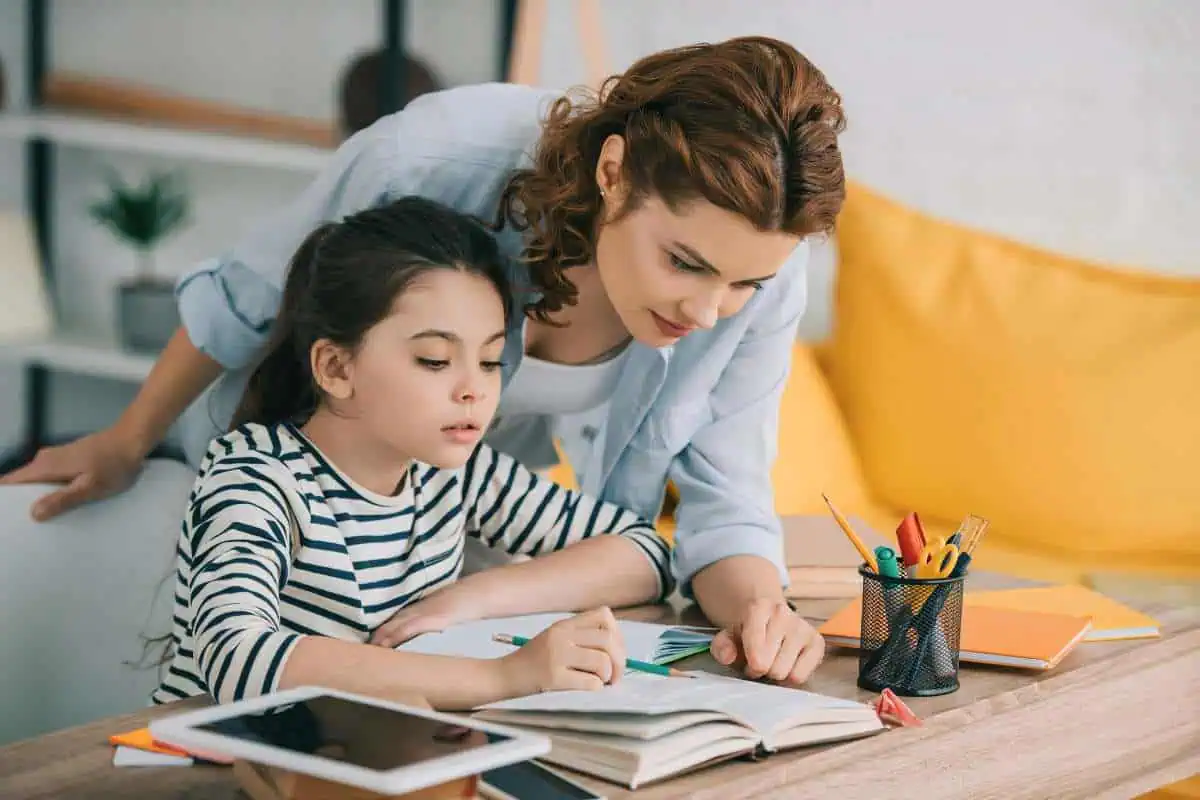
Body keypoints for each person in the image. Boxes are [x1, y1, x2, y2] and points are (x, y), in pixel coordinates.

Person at [4, 36, 846, 686]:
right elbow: (245, 302)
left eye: (745, 283)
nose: (707, 313)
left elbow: (707, 508)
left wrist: (761, 610)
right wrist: (125, 440)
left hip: (427, 559)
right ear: (614, 173)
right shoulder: (438, 158)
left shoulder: (457, 465)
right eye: (686, 264)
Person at [151, 196, 672, 710]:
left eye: (491, 361)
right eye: (434, 360)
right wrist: (505, 677)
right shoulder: (256, 472)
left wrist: (470, 598)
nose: (475, 390)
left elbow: (646, 552)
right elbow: (238, 659)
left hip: (356, 760)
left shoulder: (454, 472)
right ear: (336, 368)